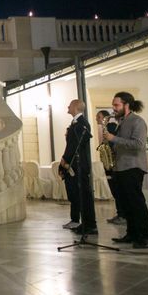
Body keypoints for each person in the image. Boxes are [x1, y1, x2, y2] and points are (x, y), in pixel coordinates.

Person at [105, 92, 148, 249]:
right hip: (121, 167)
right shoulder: (122, 122)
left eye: (116, 105)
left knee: (136, 203)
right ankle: (132, 233)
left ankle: (144, 236)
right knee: (126, 203)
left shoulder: (137, 121)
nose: (113, 108)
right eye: (113, 104)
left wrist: (114, 139)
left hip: (133, 167)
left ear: (127, 105)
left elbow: (138, 144)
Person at [58, 99, 97, 235]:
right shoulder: (75, 124)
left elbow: (76, 147)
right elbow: (71, 145)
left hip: (78, 166)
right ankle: (77, 220)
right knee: (74, 193)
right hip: (72, 164)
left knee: (83, 195)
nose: (67, 106)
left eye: (70, 105)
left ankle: (89, 225)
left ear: (75, 107)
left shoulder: (82, 124)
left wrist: (65, 161)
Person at [95, 110, 126, 225]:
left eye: (98, 116)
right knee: (114, 190)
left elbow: (113, 142)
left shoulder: (111, 126)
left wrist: (108, 149)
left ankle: (123, 215)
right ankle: (120, 213)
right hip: (110, 162)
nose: (96, 118)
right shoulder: (106, 127)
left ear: (104, 118)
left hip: (114, 162)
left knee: (117, 190)